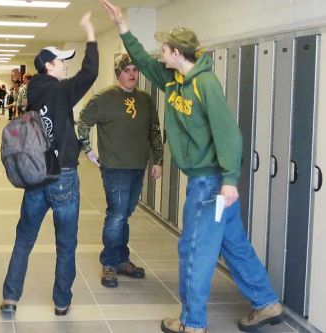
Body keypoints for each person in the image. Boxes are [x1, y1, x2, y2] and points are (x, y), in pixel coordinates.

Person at [100, 1, 285, 333]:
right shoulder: (173, 79)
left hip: (210, 183)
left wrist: (229, 179)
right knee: (233, 243)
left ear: (175, 52)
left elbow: (229, 134)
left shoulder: (205, 85)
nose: (159, 52)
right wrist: (122, 27)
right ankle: (266, 301)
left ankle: (191, 322)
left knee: (194, 249)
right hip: (207, 181)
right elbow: (142, 59)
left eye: (164, 48)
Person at [0, 11, 98, 316]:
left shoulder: (34, 91)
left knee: (24, 238)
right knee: (66, 243)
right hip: (63, 177)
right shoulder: (60, 89)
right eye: (61, 61)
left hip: (37, 176)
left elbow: (57, 126)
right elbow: (90, 72)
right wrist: (91, 35)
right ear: (48, 65)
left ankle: (11, 297)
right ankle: (61, 301)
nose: (65, 64)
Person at [78, 53, 164, 288]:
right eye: (127, 70)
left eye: (135, 70)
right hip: (115, 167)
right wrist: (87, 149)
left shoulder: (146, 99)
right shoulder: (104, 98)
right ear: (118, 73)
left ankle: (122, 259)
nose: (132, 74)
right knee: (116, 215)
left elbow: (154, 130)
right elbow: (83, 122)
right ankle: (109, 263)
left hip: (138, 165)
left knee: (125, 214)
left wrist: (158, 160)